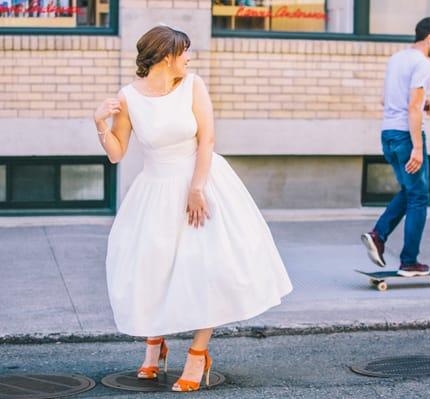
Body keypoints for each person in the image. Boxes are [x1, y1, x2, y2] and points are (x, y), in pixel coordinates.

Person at [93, 25, 293, 392]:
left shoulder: (193, 85)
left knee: (206, 269)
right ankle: (154, 346)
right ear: (166, 56)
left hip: (201, 182)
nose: (189, 58)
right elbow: (117, 154)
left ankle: (198, 354)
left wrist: (197, 188)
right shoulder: (129, 97)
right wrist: (100, 124)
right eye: (184, 52)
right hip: (153, 189)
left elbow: (208, 140)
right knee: (149, 268)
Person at [361, 16, 430, 277]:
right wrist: (418, 148)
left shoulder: (397, 58)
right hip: (405, 136)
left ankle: (378, 235)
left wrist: (424, 102)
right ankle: (409, 261)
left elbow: (385, 98)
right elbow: (412, 107)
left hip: (388, 134)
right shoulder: (423, 64)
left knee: (410, 192)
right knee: (419, 197)